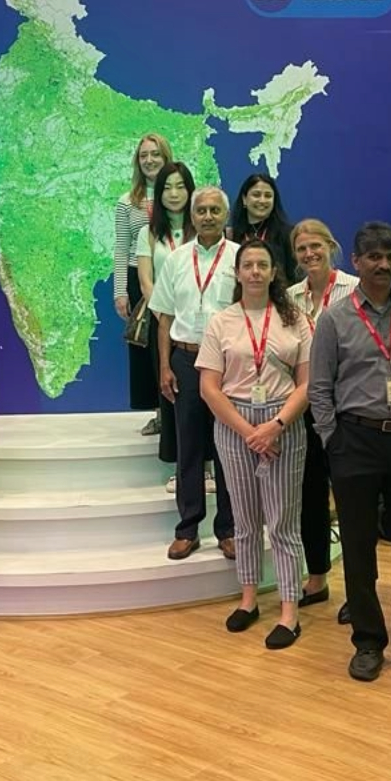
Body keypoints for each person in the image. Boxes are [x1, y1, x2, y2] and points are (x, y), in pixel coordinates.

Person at [309, 221, 391, 682]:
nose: (384, 264)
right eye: (373, 256)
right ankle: (369, 641)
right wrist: (335, 440)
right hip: (355, 442)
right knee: (357, 548)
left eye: (390, 255)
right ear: (355, 261)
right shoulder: (334, 319)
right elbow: (319, 389)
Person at [198, 239, 311, 650]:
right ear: (238, 272)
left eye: (263, 265)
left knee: (282, 523)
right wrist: (250, 432)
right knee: (244, 521)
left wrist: (275, 426)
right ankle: (248, 599)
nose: (256, 272)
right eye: (248, 265)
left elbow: (308, 383)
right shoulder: (221, 321)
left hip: (284, 424)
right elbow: (210, 387)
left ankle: (289, 611)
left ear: (273, 271)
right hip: (235, 425)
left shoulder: (294, 318)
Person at [150, 186, 236, 561]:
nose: (207, 216)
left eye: (215, 210)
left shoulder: (240, 257)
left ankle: (229, 529)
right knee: (189, 447)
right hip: (184, 359)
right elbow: (165, 317)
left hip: (228, 364)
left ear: (225, 215)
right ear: (192, 215)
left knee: (227, 450)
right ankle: (188, 529)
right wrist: (165, 366)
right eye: (201, 210)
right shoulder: (177, 259)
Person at [288, 219, 358, 620]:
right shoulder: (290, 297)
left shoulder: (353, 288)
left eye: (316, 246)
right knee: (309, 498)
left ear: (331, 245)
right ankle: (317, 578)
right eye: (301, 249)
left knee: (352, 504)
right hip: (304, 411)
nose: (309, 254)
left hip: (346, 409)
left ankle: (357, 590)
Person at [136, 162, 209, 489]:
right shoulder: (148, 233)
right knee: (177, 397)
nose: (175, 193)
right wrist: (165, 313)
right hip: (166, 327)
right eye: (167, 187)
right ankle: (182, 468)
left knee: (210, 396)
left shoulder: (204, 231)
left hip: (207, 329)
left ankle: (209, 466)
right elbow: (146, 280)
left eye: (181, 186)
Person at [114, 134, 173, 433]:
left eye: (155, 155)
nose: (149, 160)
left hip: (174, 279)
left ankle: (177, 410)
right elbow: (121, 248)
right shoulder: (127, 202)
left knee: (176, 349)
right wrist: (120, 292)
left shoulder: (177, 195)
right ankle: (159, 413)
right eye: (143, 156)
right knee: (146, 350)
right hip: (142, 282)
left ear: (166, 157)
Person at [230, 174, 295, 283]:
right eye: (256, 195)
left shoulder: (287, 234)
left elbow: (294, 277)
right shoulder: (231, 235)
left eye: (268, 196)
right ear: (244, 199)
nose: (262, 200)